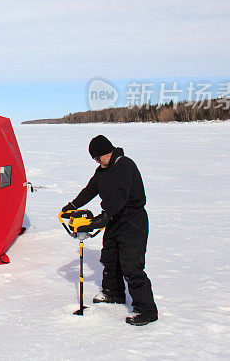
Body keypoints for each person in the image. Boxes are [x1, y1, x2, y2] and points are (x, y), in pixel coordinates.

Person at [61, 134, 158, 326]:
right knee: (110, 258)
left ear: (107, 151)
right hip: (115, 219)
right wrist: (71, 205)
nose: (97, 162)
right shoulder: (103, 170)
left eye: (98, 158)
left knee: (132, 265)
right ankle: (114, 293)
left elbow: (118, 202)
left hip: (132, 220)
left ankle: (146, 310)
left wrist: (97, 222)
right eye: (94, 160)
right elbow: (91, 189)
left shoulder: (124, 166)